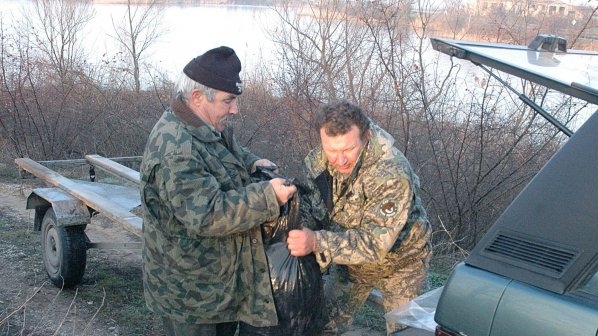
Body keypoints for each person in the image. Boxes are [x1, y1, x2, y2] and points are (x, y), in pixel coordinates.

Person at [138, 46, 297, 336]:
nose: (235, 109)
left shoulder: (204, 122)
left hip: (219, 284)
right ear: (198, 97)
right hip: (192, 297)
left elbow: (225, 151)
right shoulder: (176, 149)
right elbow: (208, 214)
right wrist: (268, 196)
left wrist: (251, 162)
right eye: (228, 101)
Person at [286, 100, 432, 335]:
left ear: (365, 137)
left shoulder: (392, 172)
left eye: (348, 150)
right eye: (332, 150)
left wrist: (315, 242)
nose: (340, 160)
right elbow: (315, 211)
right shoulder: (317, 163)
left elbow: (375, 244)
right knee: (319, 326)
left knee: (408, 332)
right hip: (349, 262)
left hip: (403, 264)